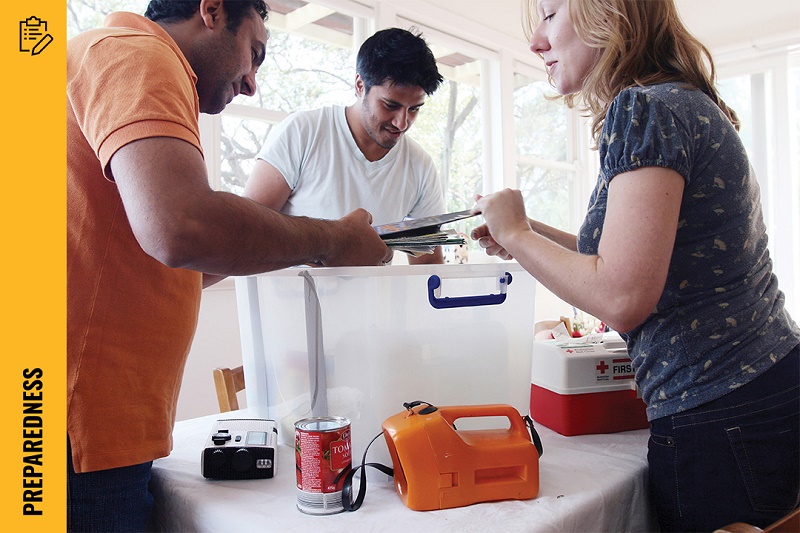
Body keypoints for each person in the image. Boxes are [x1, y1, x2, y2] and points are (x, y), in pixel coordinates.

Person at [470, 0, 799, 531]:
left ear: (609, 14)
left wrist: (515, 232)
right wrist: (528, 238)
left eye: (551, 14)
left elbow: (622, 296)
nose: (535, 41)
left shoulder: (645, 108)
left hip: (719, 412)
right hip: (762, 390)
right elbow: (636, 260)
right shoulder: (682, 101)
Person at [67, 1, 392, 530]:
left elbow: (182, 258)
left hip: (85, 424)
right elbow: (182, 227)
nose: (252, 84)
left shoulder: (108, 61)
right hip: (77, 431)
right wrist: (331, 240)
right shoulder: (139, 53)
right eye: (254, 53)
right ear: (212, 10)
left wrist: (281, 244)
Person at [244, 27, 447, 265]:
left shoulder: (420, 166)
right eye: (390, 105)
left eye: (414, 109)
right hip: (293, 301)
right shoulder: (302, 132)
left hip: (373, 303)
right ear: (360, 85)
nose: (402, 123)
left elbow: (428, 268)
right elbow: (246, 233)